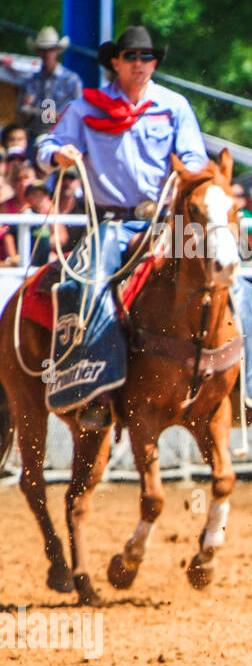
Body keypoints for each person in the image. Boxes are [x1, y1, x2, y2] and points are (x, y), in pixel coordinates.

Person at [35, 25, 212, 428]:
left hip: (166, 223)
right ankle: (94, 388)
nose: (139, 64)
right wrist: (58, 154)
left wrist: (193, 172)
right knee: (88, 286)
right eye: (130, 57)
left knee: (224, 275)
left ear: (154, 64)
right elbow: (45, 147)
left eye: (146, 58)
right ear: (115, 62)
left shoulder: (174, 107)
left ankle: (245, 379)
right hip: (110, 224)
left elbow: (194, 157)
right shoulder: (86, 107)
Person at [18, 28, 83, 143]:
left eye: (51, 49)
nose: (47, 54)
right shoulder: (31, 81)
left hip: (63, 139)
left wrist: (34, 110)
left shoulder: (71, 80)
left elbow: (79, 112)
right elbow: (21, 113)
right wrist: (52, 115)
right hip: (34, 138)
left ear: (58, 50)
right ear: (38, 52)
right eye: (43, 50)